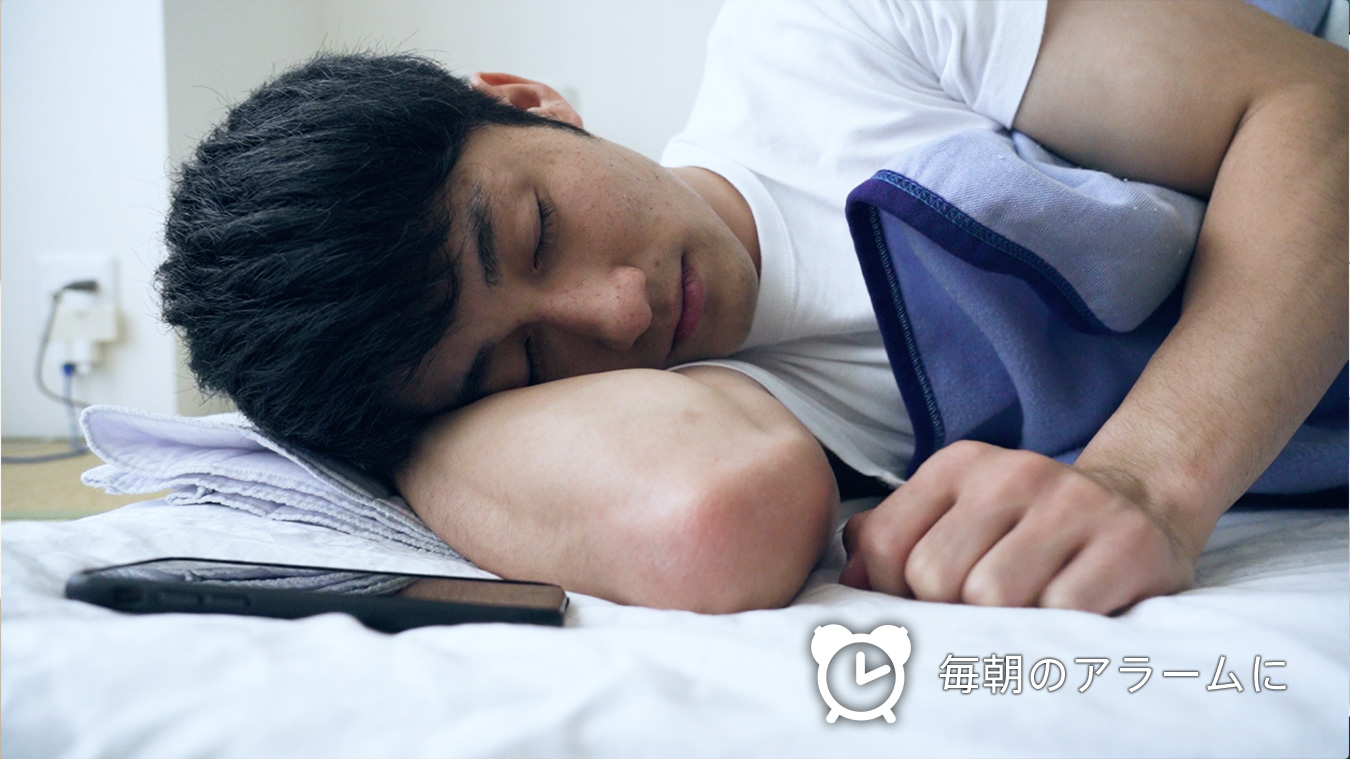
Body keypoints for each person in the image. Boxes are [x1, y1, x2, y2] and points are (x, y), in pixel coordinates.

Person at [158, 1, 1347, 615]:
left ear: (527, 102)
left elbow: (1316, 109)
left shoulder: (832, 35)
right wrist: (399, 443)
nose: (619, 314)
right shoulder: (705, 412)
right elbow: (704, 518)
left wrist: (1146, 480)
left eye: (538, 230)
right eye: (518, 363)